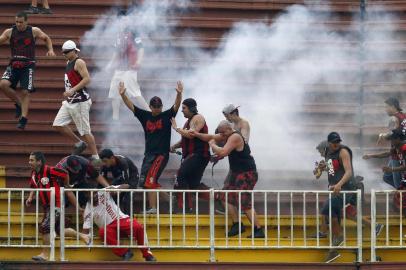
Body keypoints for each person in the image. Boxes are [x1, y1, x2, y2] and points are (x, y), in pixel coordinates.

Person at [191, 120, 264, 237]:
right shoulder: (227, 133)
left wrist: (212, 144)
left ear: (229, 129)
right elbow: (210, 136)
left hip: (247, 173)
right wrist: (196, 134)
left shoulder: (235, 136)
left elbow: (223, 152)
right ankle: (237, 225)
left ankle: (258, 230)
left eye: (223, 134)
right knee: (224, 196)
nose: (222, 136)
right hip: (236, 172)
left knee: (243, 200)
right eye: (221, 134)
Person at [120, 81, 182, 214]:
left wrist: (179, 94)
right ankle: (170, 199)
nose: (157, 109)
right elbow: (131, 106)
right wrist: (123, 95)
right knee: (144, 182)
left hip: (161, 155)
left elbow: (176, 106)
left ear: (161, 106)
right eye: (154, 107)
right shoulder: (145, 116)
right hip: (148, 155)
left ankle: (153, 208)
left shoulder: (167, 115)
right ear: (150, 106)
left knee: (150, 180)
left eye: (159, 106)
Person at [26, 152, 89, 261]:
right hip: (46, 206)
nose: (29, 162)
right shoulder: (34, 173)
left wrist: (67, 185)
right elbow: (33, 185)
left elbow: (65, 173)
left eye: (32, 160)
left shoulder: (50, 170)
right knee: (60, 230)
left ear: (39, 162)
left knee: (45, 227)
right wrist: (30, 197)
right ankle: (84, 236)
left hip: (55, 204)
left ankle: (44, 255)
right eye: (29, 160)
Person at [0, 11, 55, 129]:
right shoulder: (9, 32)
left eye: (21, 22)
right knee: (3, 84)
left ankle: (23, 118)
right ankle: (19, 104)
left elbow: (46, 38)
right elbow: (1, 39)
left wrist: (50, 49)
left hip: (28, 65)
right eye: (16, 22)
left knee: (25, 92)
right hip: (14, 64)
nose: (18, 24)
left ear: (26, 21)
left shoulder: (33, 31)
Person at [82, 184, 156, 261]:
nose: (94, 195)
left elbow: (127, 185)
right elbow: (85, 231)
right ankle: (125, 253)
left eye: (95, 192)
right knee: (102, 232)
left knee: (138, 227)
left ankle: (147, 254)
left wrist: (114, 189)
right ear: (86, 195)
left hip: (121, 220)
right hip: (110, 230)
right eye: (90, 193)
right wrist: (86, 239)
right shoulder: (88, 210)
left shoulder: (103, 191)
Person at [52, 40, 98, 158]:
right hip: (70, 101)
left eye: (67, 52)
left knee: (85, 131)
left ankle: (95, 157)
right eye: (63, 52)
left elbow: (87, 79)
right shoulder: (69, 62)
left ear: (74, 51)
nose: (65, 54)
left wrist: (72, 90)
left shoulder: (79, 62)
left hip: (80, 101)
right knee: (58, 124)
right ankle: (79, 143)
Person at [170, 98, 210, 212]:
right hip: (194, 156)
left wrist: (176, 128)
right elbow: (185, 140)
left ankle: (185, 208)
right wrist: (173, 147)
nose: (182, 111)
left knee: (180, 176)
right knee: (194, 186)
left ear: (191, 108)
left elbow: (191, 135)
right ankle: (219, 197)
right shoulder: (187, 122)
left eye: (184, 108)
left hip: (198, 155)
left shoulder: (198, 118)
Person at [108, 10, 148, 120]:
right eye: (120, 19)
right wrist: (110, 64)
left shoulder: (133, 32)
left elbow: (141, 48)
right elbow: (116, 51)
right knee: (114, 93)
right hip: (119, 69)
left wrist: (139, 62)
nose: (123, 21)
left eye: (125, 19)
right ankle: (115, 117)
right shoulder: (118, 34)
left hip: (130, 68)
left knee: (135, 92)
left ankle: (150, 113)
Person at [99, 148, 139, 215]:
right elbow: (102, 180)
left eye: (105, 161)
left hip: (131, 179)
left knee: (126, 198)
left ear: (112, 158)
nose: (104, 163)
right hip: (120, 178)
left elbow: (126, 184)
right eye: (102, 161)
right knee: (112, 197)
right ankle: (114, 217)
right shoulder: (105, 164)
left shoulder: (123, 162)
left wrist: (116, 189)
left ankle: (129, 219)